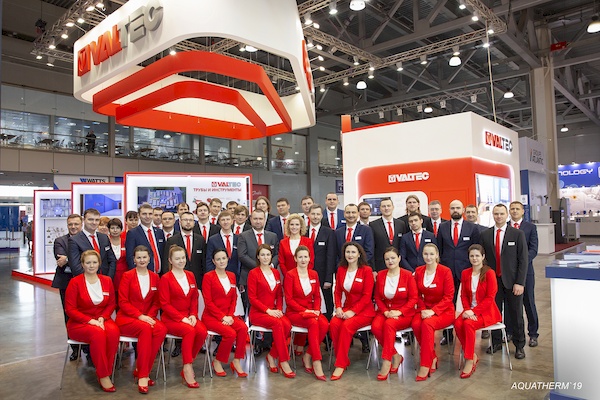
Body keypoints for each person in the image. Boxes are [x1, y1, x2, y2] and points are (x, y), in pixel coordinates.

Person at [65, 250, 119, 392]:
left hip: (102, 319)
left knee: (113, 332)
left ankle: (106, 368)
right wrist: (90, 321)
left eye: (94, 262)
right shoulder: (75, 282)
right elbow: (70, 309)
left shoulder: (106, 280)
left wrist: (103, 317)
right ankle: (103, 375)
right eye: (88, 262)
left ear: (99, 263)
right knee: (98, 334)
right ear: (82, 264)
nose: (91, 265)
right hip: (79, 323)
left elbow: (111, 304)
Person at [116, 246, 167, 393]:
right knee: (145, 329)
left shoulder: (155, 277)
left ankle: (141, 368)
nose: (142, 260)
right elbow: (123, 302)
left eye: (144, 257)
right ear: (134, 260)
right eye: (138, 257)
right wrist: (140, 316)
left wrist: (148, 316)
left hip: (147, 317)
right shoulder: (127, 276)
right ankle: (144, 376)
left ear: (149, 258)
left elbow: (156, 302)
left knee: (161, 329)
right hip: (127, 318)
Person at [480, 204, 528, 359]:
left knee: (516, 313)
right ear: (492, 215)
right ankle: (495, 343)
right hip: (493, 282)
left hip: (513, 282)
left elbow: (523, 260)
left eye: (501, 213)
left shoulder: (517, 234)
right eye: (496, 214)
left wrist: (520, 282)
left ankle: (519, 345)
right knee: (494, 312)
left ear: (507, 215)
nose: (499, 216)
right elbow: (484, 260)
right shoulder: (485, 234)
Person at [159, 246, 208, 389]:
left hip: (189, 316)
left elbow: (194, 298)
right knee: (189, 331)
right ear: (170, 260)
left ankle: (189, 360)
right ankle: (187, 367)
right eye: (177, 258)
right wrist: (181, 318)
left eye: (183, 258)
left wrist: (193, 315)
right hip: (171, 318)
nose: (181, 261)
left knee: (202, 332)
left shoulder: (190, 275)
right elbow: (164, 304)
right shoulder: (166, 278)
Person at [247, 244, 295, 378]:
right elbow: (252, 298)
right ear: (258, 257)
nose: (265, 257)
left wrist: (278, 309)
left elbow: (279, 295)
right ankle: (284, 361)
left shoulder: (275, 273)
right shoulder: (253, 273)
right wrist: (268, 310)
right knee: (278, 324)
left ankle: (272, 355)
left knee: (287, 325)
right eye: (262, 255)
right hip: (258, 313)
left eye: (268, 254)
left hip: (274, 311)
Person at [454, 244, 502, 379]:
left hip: (486, 312)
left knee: (468, 324)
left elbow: (490, 298)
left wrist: (474, 312)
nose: (474, 258)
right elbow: (463, 295)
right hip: (469, 311)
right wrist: (467, 310)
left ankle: (469, 359)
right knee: (457, 323)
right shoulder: (465, 273)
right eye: (472, 256)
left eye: (477, 256)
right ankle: (472, 354)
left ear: (483, 257)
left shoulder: (489, 273)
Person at [437, 200, 480, 345]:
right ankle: (447, 334)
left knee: (468, 301)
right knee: (448, 303)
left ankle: (467, 331)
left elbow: (476, 249)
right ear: (449, 210)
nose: (455, 210)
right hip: (448, 271)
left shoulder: (472, 228)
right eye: (452, 208)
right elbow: (439, 250)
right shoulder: (442, 227)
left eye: (458, 208)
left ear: (463, 210)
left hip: (466, 271)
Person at [329, 242, 375, 381]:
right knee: (334, 324)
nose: (350, 255)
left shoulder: (366, 270)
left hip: (364, 311)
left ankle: (340, 364)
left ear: (359, 254)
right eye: (347, 252)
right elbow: (337, 291)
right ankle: (342, 358)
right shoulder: (341, 269)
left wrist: (353, 312)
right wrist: (338, 307)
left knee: (347, 326)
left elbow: (367, 296)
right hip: (346, 308)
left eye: (353, 252)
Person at [372, 247, 417, 381]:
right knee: (375, 327)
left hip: (404, 313)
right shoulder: (381, 275)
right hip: (385, 311)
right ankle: (396, 355)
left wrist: (400, 311)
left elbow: (413, 298)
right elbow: (377, 297)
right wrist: (385, 311)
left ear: (399, 258)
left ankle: (386, 361)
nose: (390, 261)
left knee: (389, 325)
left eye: (393, 258)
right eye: (387, 259)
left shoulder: (407, 275)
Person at [284, 246, 328, 381]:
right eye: (300, 257)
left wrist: (316, 310)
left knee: (325, 324)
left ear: (310, 258)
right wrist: (304, 311)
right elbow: (289, 300)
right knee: (313, 323)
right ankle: (316, 361)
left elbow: (317, 296)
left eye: (306, 257)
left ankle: (308, 355)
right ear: (295, 259)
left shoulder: (314, 274)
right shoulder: (290, 275)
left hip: (311, 311)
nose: (303, 260)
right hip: (295, 312)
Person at [411, 243, 455, 381]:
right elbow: (416, 294)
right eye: (425, 254)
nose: (428, 257)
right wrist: (424, 309)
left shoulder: (445, 271)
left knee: (427, 324)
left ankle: (425, 364)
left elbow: (449, 296)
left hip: (444, 310)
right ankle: (432, 357)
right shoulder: (419, 271)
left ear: (437, 255)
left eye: (431, 254)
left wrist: (433, 311)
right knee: (416, 324)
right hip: (424, 309)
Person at [201, 249, 248, 377]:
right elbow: (208, 302)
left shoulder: (232, 276)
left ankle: (237, 360)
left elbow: (234, 298)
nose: (221, 261)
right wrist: (222, 317)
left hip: (228, 315)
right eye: (218, 259)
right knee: (230, 333)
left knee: (243, 328)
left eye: (224, 258)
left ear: (228, 259)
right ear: (213, 261)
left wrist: (230, 316)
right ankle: (217, 361)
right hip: (212, 317)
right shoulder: (208, 277)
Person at [52, 213, 82, 361]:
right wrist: (79, 258)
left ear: (81, 225)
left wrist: (69, 258)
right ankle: (75, 348)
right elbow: (60, 260)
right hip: (66, 283)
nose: (73, 227)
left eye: (76, 224)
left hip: (84, 282)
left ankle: (87, 346)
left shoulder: (86, 240)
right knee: (69, 316)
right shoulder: (60, 241)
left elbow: (91, 259)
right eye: (70, 224)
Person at [508, 201, 539, 347]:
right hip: (509, 272)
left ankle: (533, 334)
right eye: (512, 209)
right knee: (510, 304)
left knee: (529, 302)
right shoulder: (505, 227)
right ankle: (510, 331)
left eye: (517, 209)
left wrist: (522, 261)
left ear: (522, 211)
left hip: (526, 272)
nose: (514, 211)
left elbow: (533, 249)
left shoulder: (530, 227)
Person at [306, 204, 337, 319]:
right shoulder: (303, 231)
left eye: (318, 214)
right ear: (308, 215)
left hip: (323, 275)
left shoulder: (329, 232)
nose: (315, 217)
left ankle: (327, 325)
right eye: (313, 214)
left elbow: (331, 256)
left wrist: (329, 278)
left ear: (322, 216)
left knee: (326, 302)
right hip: (306, 274)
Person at [68, 208, 116, 278]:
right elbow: (75, 266)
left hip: (105, 279)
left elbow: (112, 260)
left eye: (97, 220)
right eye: (90, 219)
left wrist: (108, 278)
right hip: (86, 280)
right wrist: (92, 280)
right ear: (84, 220)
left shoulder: (104, 237)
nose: (94, 222)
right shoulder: (74, 240)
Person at [370, 197, 407, 272]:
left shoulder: (401, 224)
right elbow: (372, 248)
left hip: (399, 265)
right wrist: (373, 269)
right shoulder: (373, 225)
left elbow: (404, 245)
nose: (386, 208)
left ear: (393, 207)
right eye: (383, 206)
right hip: (380, 265)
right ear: (380, 208)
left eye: (388, 206)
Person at [126, 203, 165, 273]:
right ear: (139, 215)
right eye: (144, 214)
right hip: (143, 273)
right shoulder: (132, 233)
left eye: (150, 214)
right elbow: (130, 257)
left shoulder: (160, 232)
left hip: (160, 274)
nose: (147, 216)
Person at [206, 211, 240, 280]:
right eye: (223, 220)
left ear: (232, 221)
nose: (225, 222)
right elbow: (209, 260)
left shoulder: (239, 238)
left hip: (236, 276)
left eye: (228, 219)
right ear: (219, 222)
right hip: (218, 276)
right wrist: (213, 277)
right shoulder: (212, 239)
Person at [107, 218, 127, 297]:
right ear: (109, 229)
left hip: (124, 275)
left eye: (117, 228)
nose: (115, 230)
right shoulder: (105, 242)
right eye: (112, 228)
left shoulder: (126, 242)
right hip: (110, 274)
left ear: (121, 229)